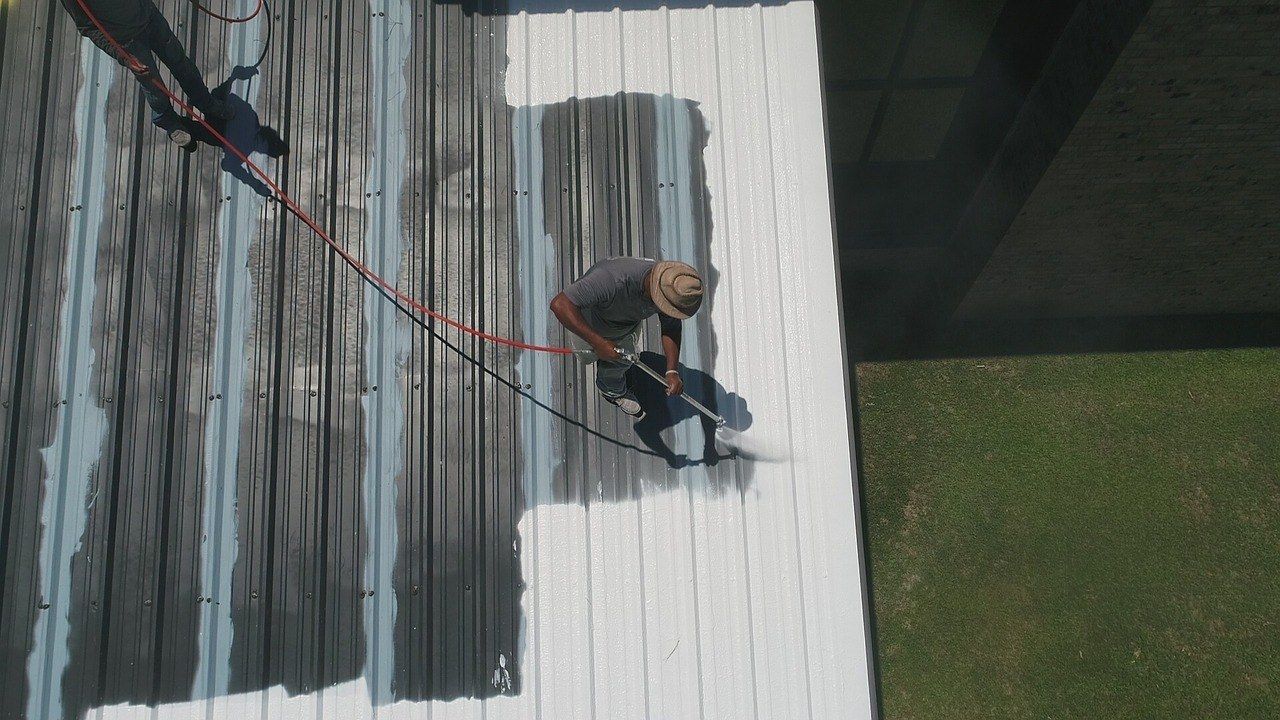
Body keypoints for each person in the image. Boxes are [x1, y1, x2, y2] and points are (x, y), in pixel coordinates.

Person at [59, 0, 233, 149]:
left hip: (150, 17)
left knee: (181, 63)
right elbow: (88, 28)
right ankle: (169, 122)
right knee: (153, 85)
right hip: (128, 42)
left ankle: (207, 103)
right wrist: (124, 57)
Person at [550, 258, 704, 419]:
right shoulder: (611, 279)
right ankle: (607, 372)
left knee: (624, 359)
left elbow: (671, 327)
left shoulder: (672, 285)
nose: (669, 312)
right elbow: (560, 304)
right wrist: (599, 343)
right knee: (593, 355)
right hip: (589, 323)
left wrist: (672, 370)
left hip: (626, 324)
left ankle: (611, 390)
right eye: (668, 308)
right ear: (657, 295)